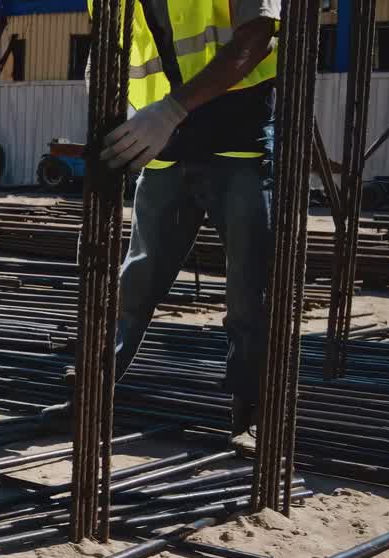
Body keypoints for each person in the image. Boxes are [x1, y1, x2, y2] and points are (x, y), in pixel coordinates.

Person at [89, 0, 280, 454]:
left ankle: (252, 413)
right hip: (164, 146)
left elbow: (256, 38)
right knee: (134, 282)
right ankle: (92, 393)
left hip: (236, 141)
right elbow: (107, 56)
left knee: (250, 290)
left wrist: (172, 109)